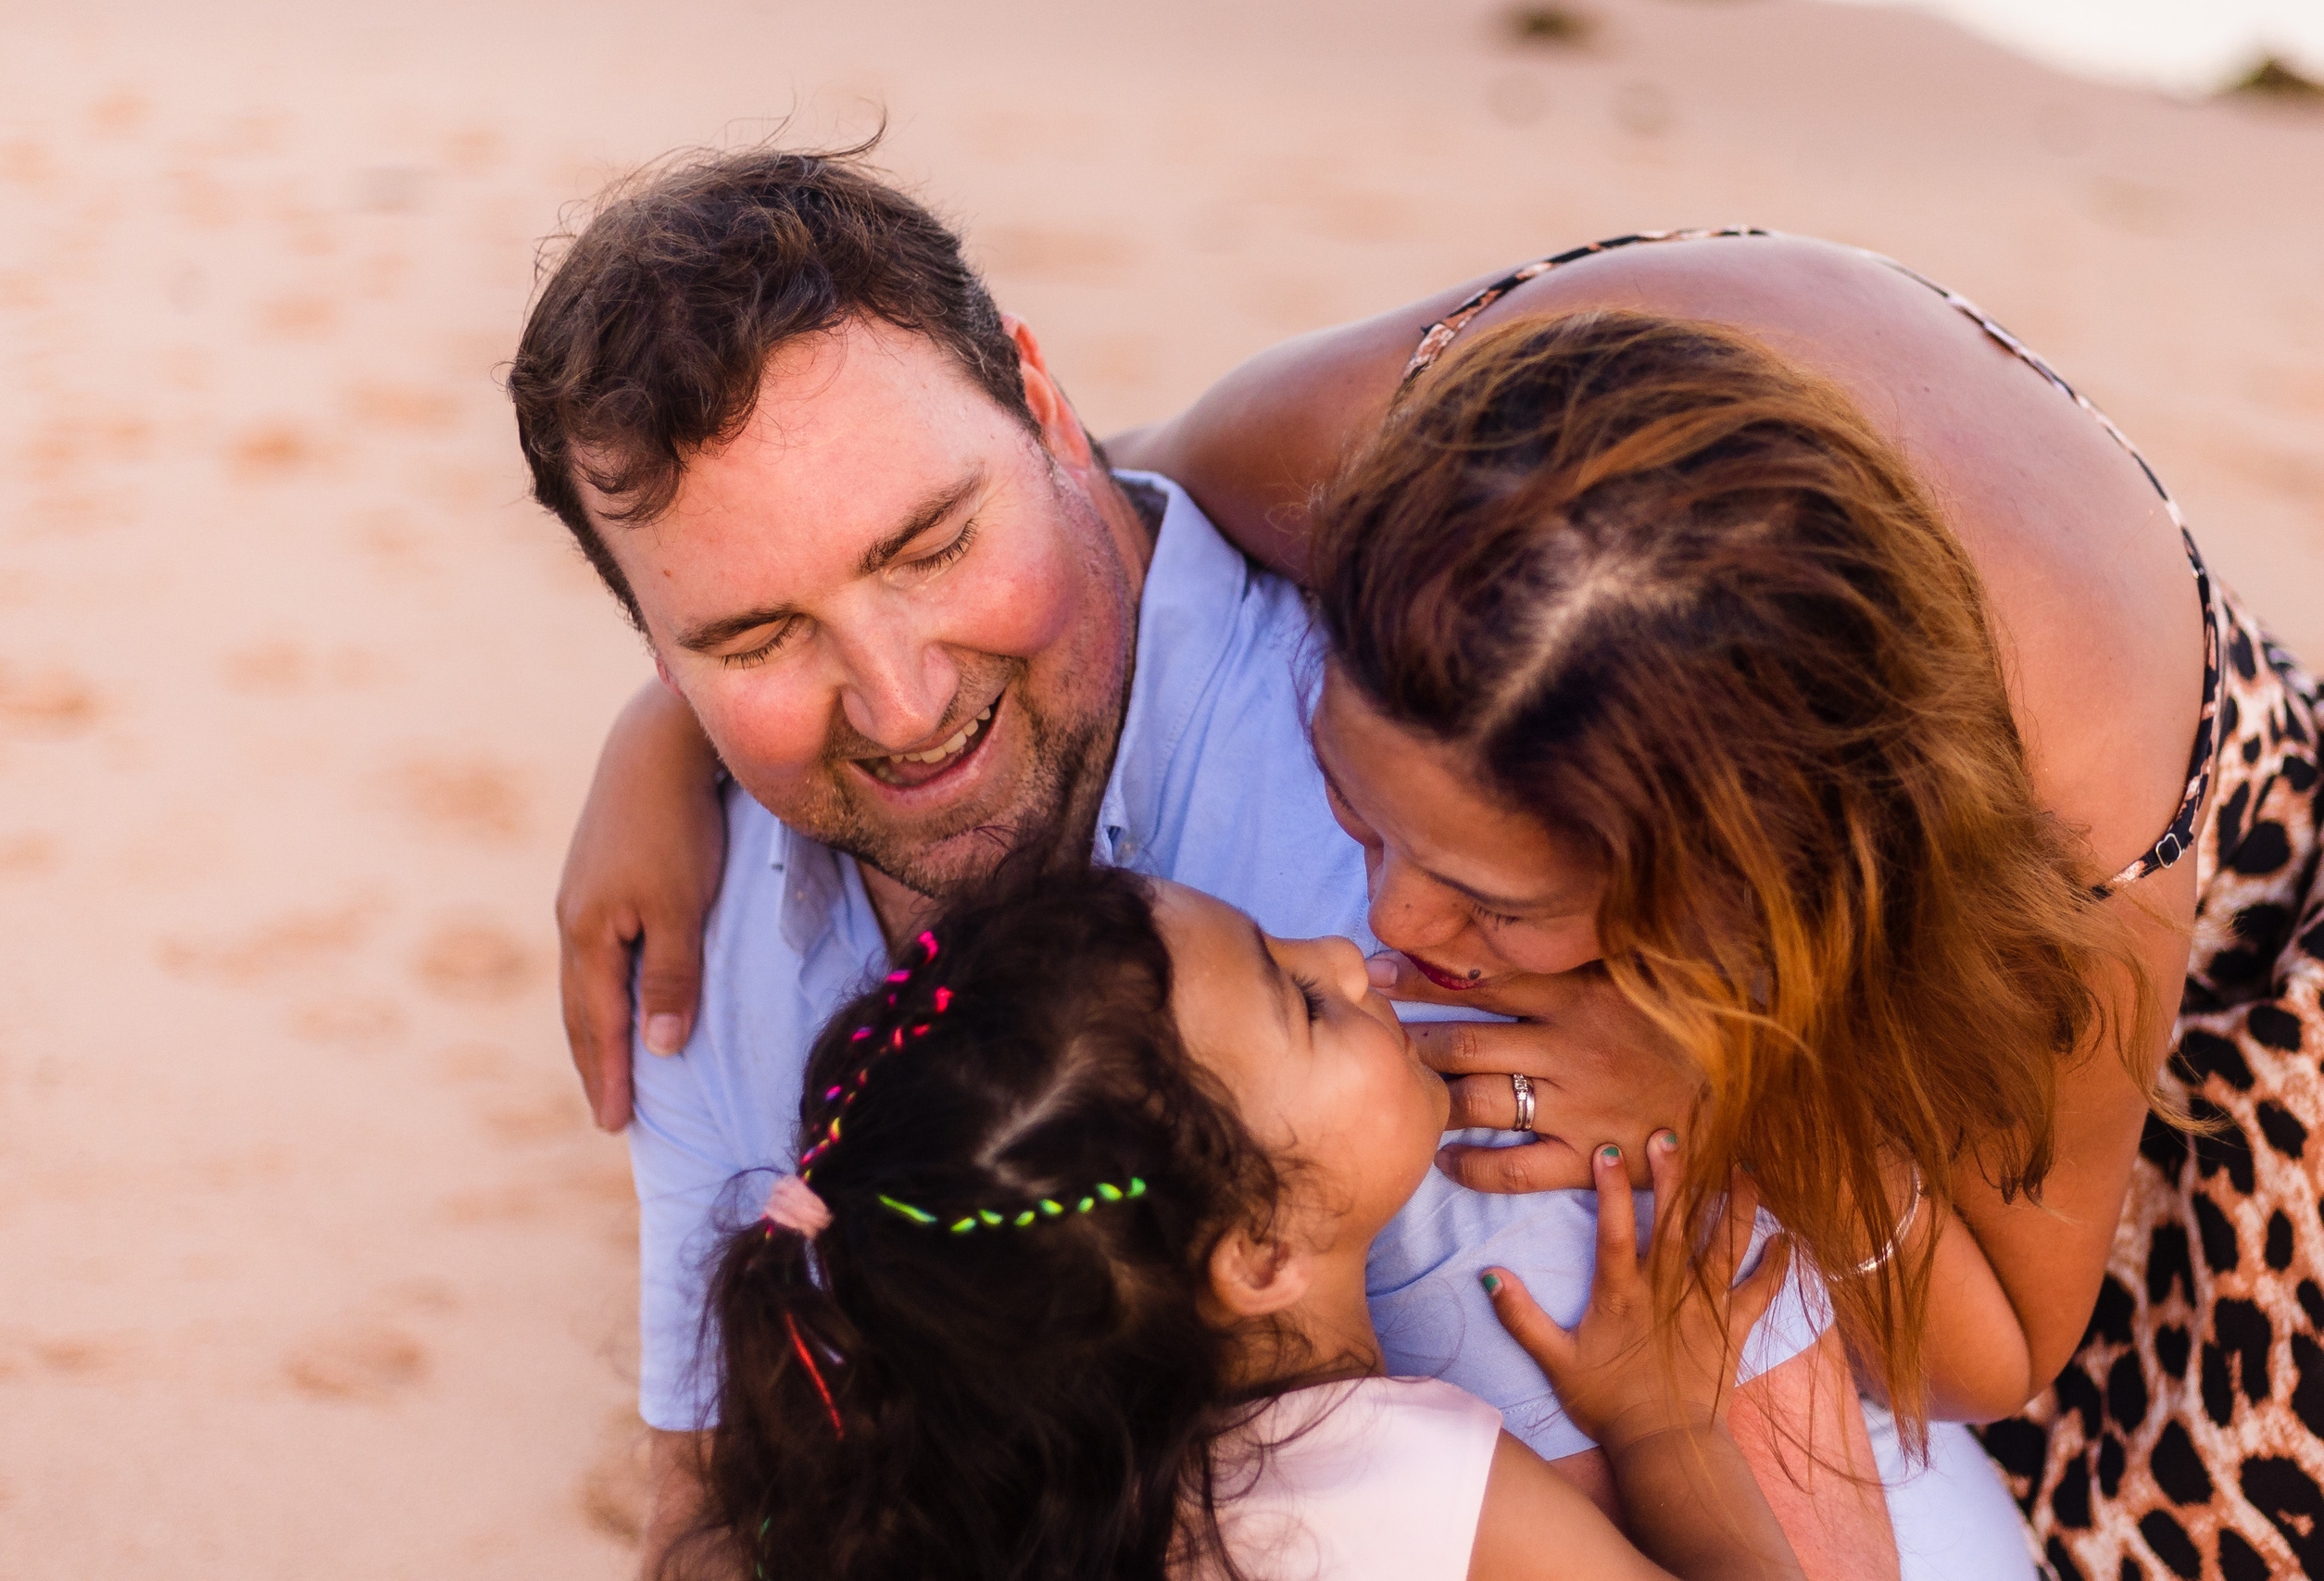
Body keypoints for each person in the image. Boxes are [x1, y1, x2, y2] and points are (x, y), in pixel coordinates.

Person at [559, 204, 2324, 1577]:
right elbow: (977, 496)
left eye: (1474, 887)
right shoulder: (1316, 466)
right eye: (1356, 809)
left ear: (1705, 902)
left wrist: (1736, 1080)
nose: (1387, 936)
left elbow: (2004, 1335)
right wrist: (686, 720)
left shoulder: (2069, 792)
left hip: (2198, 908)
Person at [671, 863, 1802, 1581]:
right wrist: (1665, 1425)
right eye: (1301, 1003)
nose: (1349, 961)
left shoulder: (1024, 1521)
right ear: (1257, 1254)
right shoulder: (1397, 1490)